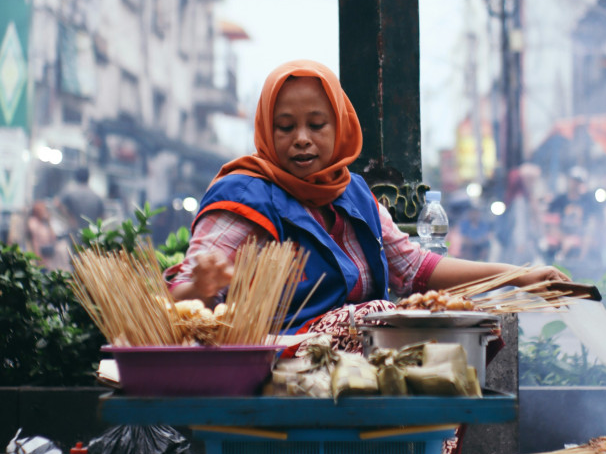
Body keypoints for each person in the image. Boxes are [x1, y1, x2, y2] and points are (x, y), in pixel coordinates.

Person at [169, 59, 569, 329]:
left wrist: (520, 277)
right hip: (276, 387)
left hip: (361, 379)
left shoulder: (354, 193)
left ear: (339, 126)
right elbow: (179, 298)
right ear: (266, 132)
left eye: (317, 124)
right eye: (286, 127)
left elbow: (413, 269)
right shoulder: (242, 197)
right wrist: (200, 288)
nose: (302, 140)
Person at [57, 166, 105, 240]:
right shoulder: (96, 196)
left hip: (74, 231)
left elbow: (57, 203)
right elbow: (102, 217)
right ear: (88, 178)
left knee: (74, 249)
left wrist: (69, 217)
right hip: (91, 233)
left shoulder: (70, 192)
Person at [25, 201, 59, 269]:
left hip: (48, 258)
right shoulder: (33, 223)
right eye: (41, 210)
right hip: (39, 257)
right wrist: (38, 258)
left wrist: (49, 221)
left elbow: (53, 238)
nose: (43, 211)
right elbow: (34, 242)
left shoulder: (44, 223)